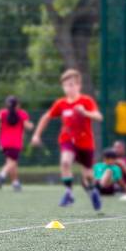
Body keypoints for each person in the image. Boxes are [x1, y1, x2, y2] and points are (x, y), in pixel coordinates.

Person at [32, 68, 103, 209]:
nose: (68, 88)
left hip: (85, 141)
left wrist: (85, 112)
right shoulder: (61, 103)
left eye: (71, 84)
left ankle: (93, 190)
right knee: (65, 162)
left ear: (78, 85)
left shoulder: (86, 101)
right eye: (65, 85)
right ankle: (69, 193)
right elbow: (46, 117)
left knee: (88, 174)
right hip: (67, 139)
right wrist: (36, 134)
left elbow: (98, 117)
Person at [0, 96, 28, 191]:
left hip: (4, 142)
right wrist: (31, 125)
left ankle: (15, 183)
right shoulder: (21, 113)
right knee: (12, 162)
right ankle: (2, 174)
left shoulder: (3, 112)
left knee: (11, 162)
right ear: (17, 105)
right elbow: (28, 125)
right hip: (15, 143)